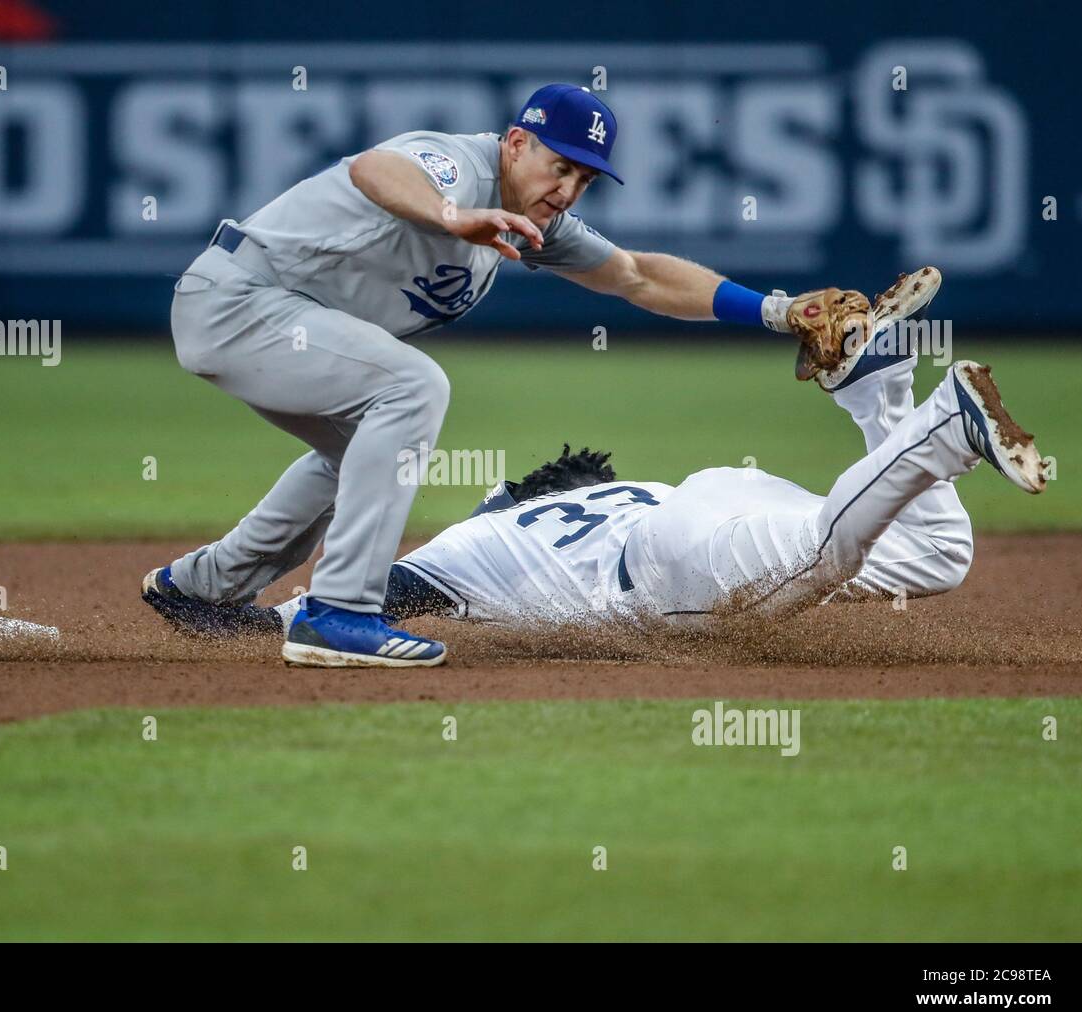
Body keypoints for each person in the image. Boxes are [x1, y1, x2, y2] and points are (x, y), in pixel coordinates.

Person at [142, 83, 855, 668]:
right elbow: (373, 170)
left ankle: (201, 587)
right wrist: (453, 214)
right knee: (413, 387)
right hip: (239, 297)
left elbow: (637, 276)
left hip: (274, 314)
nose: (568, 188)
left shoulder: (532, 219)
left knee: (357, 451)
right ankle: (338, 612)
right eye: (559, 164)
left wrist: (775, 310)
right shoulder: (462, 167)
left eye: (583, 177)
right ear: (517, 143)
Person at [143, 268, 1048, 647]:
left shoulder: (466, 549)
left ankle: (940, 424)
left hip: (669, 563)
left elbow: (334, 611)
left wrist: (217, 612)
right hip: (713, 491)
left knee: (827, 549)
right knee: (935, 553)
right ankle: (873, 392)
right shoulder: (600, 494)